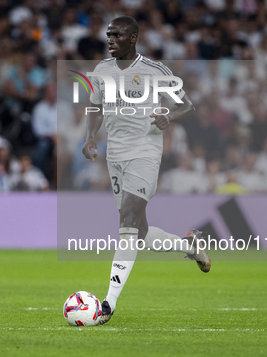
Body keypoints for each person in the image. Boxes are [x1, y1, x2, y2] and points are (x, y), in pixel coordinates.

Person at [81, 16, 210, 325]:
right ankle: (190, 246)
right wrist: (89, 136)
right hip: (115, 155)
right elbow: (96, 107)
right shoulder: (101, 71)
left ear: (134, 37)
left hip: (145, 153)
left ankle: (108, 304)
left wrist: (170, 116)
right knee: (139, 233)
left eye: (117, 35)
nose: (110, 39)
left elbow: (189, 106)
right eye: (108, 34)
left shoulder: (154, 71)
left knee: (126, 223)